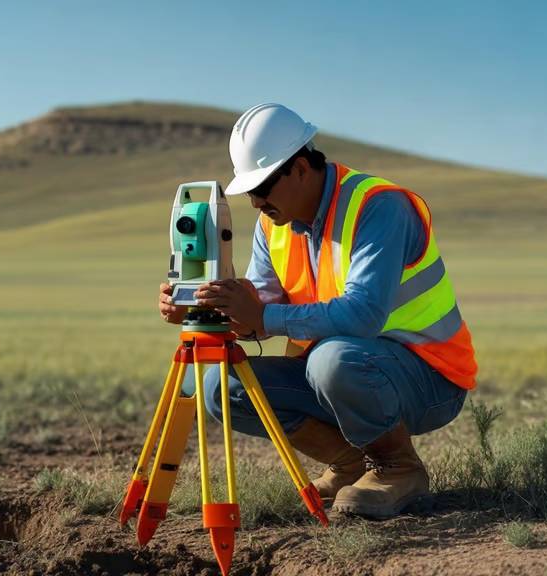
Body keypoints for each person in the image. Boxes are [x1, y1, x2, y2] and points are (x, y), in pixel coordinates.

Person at [157, 103, 477, 519]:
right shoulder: (274, 224)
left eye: (262, 188)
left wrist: (264, 319)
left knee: (332, 359)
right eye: (250, 191)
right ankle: (349, 464)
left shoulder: (379, 207)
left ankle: (398, 467)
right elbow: (261, 309)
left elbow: (363, 314)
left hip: (429, 378)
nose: (255, 202)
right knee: (220, 383)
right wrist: (206, 310)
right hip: (337, 375)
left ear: (301, 169)